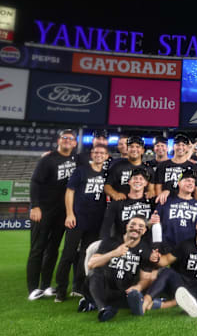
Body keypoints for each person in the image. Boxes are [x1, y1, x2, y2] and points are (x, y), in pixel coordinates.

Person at [142, 214, 197, 318]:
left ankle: (166, 305)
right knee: (167, 272)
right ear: (196, 226)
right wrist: (156, 258)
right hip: (182, 284)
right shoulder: (186, 245)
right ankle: (145, 302)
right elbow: (165, 260)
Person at [55, 144, 110, 302]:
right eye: (96, 152)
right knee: (68, 254)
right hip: (78, 219)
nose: (99, 155)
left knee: (86, 255)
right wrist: (70, 214)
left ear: (106, 156)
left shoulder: (107, 174)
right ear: (92, 154)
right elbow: (69, 192)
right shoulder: (81, 171)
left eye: (102, 153)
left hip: (95, 221)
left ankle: (77, 287)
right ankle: (60, 289)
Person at [28, 129, 77, 300]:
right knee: (37, 249)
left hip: (62, 212)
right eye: (64, 138)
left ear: (75, 143)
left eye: (70, 139)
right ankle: (33, 288)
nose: (67, 141)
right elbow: (35, 182)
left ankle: (46, 285)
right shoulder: (48, 159)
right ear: (59, 140)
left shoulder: (76, 160)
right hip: (43, 211)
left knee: (53, 249)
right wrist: (35, 206)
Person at [84, 216, 156, 322]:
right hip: (105, 288)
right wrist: (114, 253)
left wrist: (138, 287)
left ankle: (94, 303)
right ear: (127, 226)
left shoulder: (145, 249)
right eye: (133, 225)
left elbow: (145, 277)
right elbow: (91, 264)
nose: (136, 228)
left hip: (124, 291)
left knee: (138, 294)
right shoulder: (111, 241)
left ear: (145, 231)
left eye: (140, 226)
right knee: (95, 273)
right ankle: (103, 309)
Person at [152, 168, 197, 253]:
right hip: (167, 249)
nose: (190, 183)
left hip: (189, 250)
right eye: (187, 180)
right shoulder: (165, 201)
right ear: (179, 183)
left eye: (193, 182)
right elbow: (153, 224)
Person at [99, 168, 154, 242]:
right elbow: (106, 227)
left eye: (141, 179)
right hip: (122, 243)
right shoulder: (119, 201)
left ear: (146, 183)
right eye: (135, 178)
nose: (137, 181)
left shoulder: (151, 202)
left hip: (145, 244)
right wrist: (104, 245)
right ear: (129, 182)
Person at [154, 133, 197, 205]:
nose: (180, 147)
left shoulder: (193, 167)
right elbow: (158, 186)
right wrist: (160, 204)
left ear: (187, 148)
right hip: (166, 203)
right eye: (178, 145)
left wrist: (196, 205)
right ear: (173, 147)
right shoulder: (163, 165)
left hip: (186, 204)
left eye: (183, 145)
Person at [105, 136, 155, 200]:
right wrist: (115, 194)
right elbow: (107, 186)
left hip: (141, 206)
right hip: (121, 205)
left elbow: (151, 190)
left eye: (137, 147)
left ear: (143, 151)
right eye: (131, 147)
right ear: (127, 150)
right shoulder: (117, 167)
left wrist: (151, 193)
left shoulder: (149, 170)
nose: (134, 149)